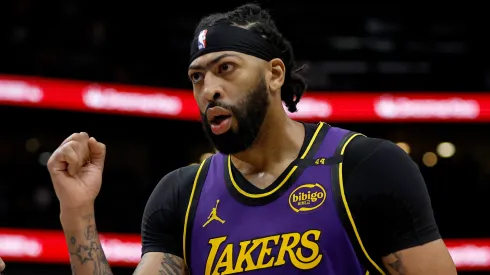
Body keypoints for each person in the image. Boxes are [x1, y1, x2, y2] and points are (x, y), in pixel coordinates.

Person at [45, 3, 457, 275]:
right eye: (197, 77)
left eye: (226, 68)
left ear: (275, 74)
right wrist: (77, 212)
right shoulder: (181, 194)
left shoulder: (365, 167)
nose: (209, 90)